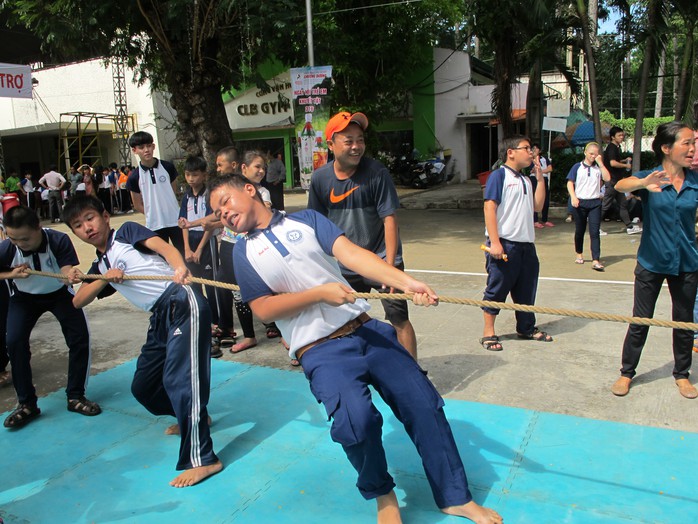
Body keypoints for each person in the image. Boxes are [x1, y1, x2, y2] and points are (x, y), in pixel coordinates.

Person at [208, 174, 503, 524]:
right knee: (356, 423)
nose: (223, 213)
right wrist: (319, 294)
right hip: (319, 350)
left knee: (424, 405)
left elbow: (353, 255)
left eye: (225, 201)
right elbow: (263, 308)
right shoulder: (242, 252)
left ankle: (455, 496)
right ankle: (384, 496)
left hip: (366, 330)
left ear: (249, 189)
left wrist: (407, 283)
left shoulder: (306, 220)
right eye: (216, 211)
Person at [63, 195, 222, 487]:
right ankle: (193, 417)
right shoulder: (102, 263)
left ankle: (203, 458)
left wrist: (180, 268)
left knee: (180, 379)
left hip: (179, 300)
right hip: (159, 316)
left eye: (89, 218)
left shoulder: (125, 234)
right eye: (77, 225)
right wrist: (103, 277)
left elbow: (164, 247)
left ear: (105, 215)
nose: (86, 227)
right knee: (144, 386)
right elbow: (77, 301)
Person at [308, 111, 419, 359]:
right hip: (346, 264)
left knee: (399, 319)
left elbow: (389, 218)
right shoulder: (320, 179)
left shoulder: (377, 173)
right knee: (346, 320)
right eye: (348, 141)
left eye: (360, 139)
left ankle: (414, 373)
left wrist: (390, 269)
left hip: (382, 259)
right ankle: (361, 365)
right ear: (330, 144)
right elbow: (316, 225)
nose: (356, 146)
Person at [610, 121, 698, 399]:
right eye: (687, 143)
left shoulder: (695, 181)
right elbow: (620, 185)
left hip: (687, 263)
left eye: (693, 143)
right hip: (651, 262)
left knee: (683, 322)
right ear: (666, 148)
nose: (692, 149)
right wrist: (643, 184)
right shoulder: (650, 177)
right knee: (641, 320)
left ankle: (682, 375)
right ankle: (626, 373)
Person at [0, 205, 101, 429]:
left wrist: (69, 275)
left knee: (79, 338)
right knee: (14, 342)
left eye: (24, 239)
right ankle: (27, 404)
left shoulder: (57, 240)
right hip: (24, 299)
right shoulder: (7, 248)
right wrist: (11, 274)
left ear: (38, 227)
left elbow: (66, 268)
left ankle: (75, 396)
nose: (19, 244)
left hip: (59, 295)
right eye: (14, 239)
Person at [480, 135, 552, 351]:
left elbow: (537, 207)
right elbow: (489, 207)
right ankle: (488, 332)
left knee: (526, 290)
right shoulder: (498, 176)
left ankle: (526, 327)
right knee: (497, 288)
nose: (531, 152)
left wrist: (540, 180)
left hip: (526, 245)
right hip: (505, 243)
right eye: (526, 148)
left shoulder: (524, 180)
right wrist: (495, 242)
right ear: (510, 152)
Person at [177, 156, 222, 358]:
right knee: (194, 287)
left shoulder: (209, 195)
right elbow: (183, 224)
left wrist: (199, 250)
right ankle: (201, 324)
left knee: (211, 286)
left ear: (204, 175)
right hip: (190, 245)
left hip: (206, 244)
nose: (191, 178)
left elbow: (208, 225)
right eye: (188, 174)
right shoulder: (186, 196)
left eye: (195, 174)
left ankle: (216, 328)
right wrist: (186, 249)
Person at [126, 131, 184, 253]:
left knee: (184, 254)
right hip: (154, 225)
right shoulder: (134, 177)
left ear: (153, 146)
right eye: (141, 147)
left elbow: (172, 191)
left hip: (175, 221)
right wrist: (152, 213)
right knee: (162, 258)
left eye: (149, 146)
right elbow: (137, 204)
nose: (146, 150)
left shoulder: (167, 167)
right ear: (134, 150)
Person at [566, 142, 611, 271]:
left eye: (596, 154)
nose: (593, 156)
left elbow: (607, 178)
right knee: (580, 230)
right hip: (580, 202)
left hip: (595, 203)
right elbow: (570, 183)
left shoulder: (598, 168)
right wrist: (573, 197)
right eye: (591, 153)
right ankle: (579, 253)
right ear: (585, 152)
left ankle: (596, 259)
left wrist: (601, 163)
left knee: (594, 232)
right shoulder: (577, 167)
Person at [602, 126, 642, 234]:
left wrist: (624, 160)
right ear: (612, 137)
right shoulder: (612, 147)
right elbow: (612, 163)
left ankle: (629, 227)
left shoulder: (615, 148)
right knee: (605, 205)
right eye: (619, 135)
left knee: (623, 204)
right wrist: (626, 166)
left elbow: (614, 161)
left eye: (622, 135)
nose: (621, 137)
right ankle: (594, 227)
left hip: (617, 182)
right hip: (612, 181)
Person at [532, 144, 554, 228]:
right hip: (534, 179)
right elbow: (532, 170)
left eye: (536, 148)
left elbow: (550, 169)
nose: (534, 150)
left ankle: (545, 219)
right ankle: (535, 220)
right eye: (532, 148)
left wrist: (540, 171)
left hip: (544, 179)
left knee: (546, 199)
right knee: (535, 199)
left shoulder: (545, 159)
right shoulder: (530, 159)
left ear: (539, 150)